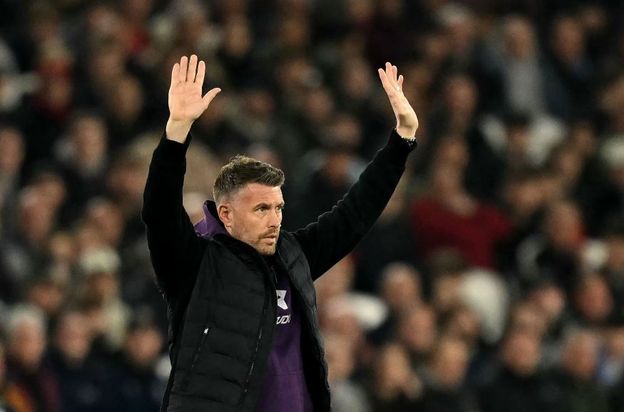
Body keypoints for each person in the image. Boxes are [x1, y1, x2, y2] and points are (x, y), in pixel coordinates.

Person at [141, 54, 418, 411]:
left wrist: (401, 140)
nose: (275, 219)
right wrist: (176, 133)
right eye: (261, 209)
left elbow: (355, 214)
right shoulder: (195, 264)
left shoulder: (293, 256)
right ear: (226, 214)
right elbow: (160, 212)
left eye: (278, 208)